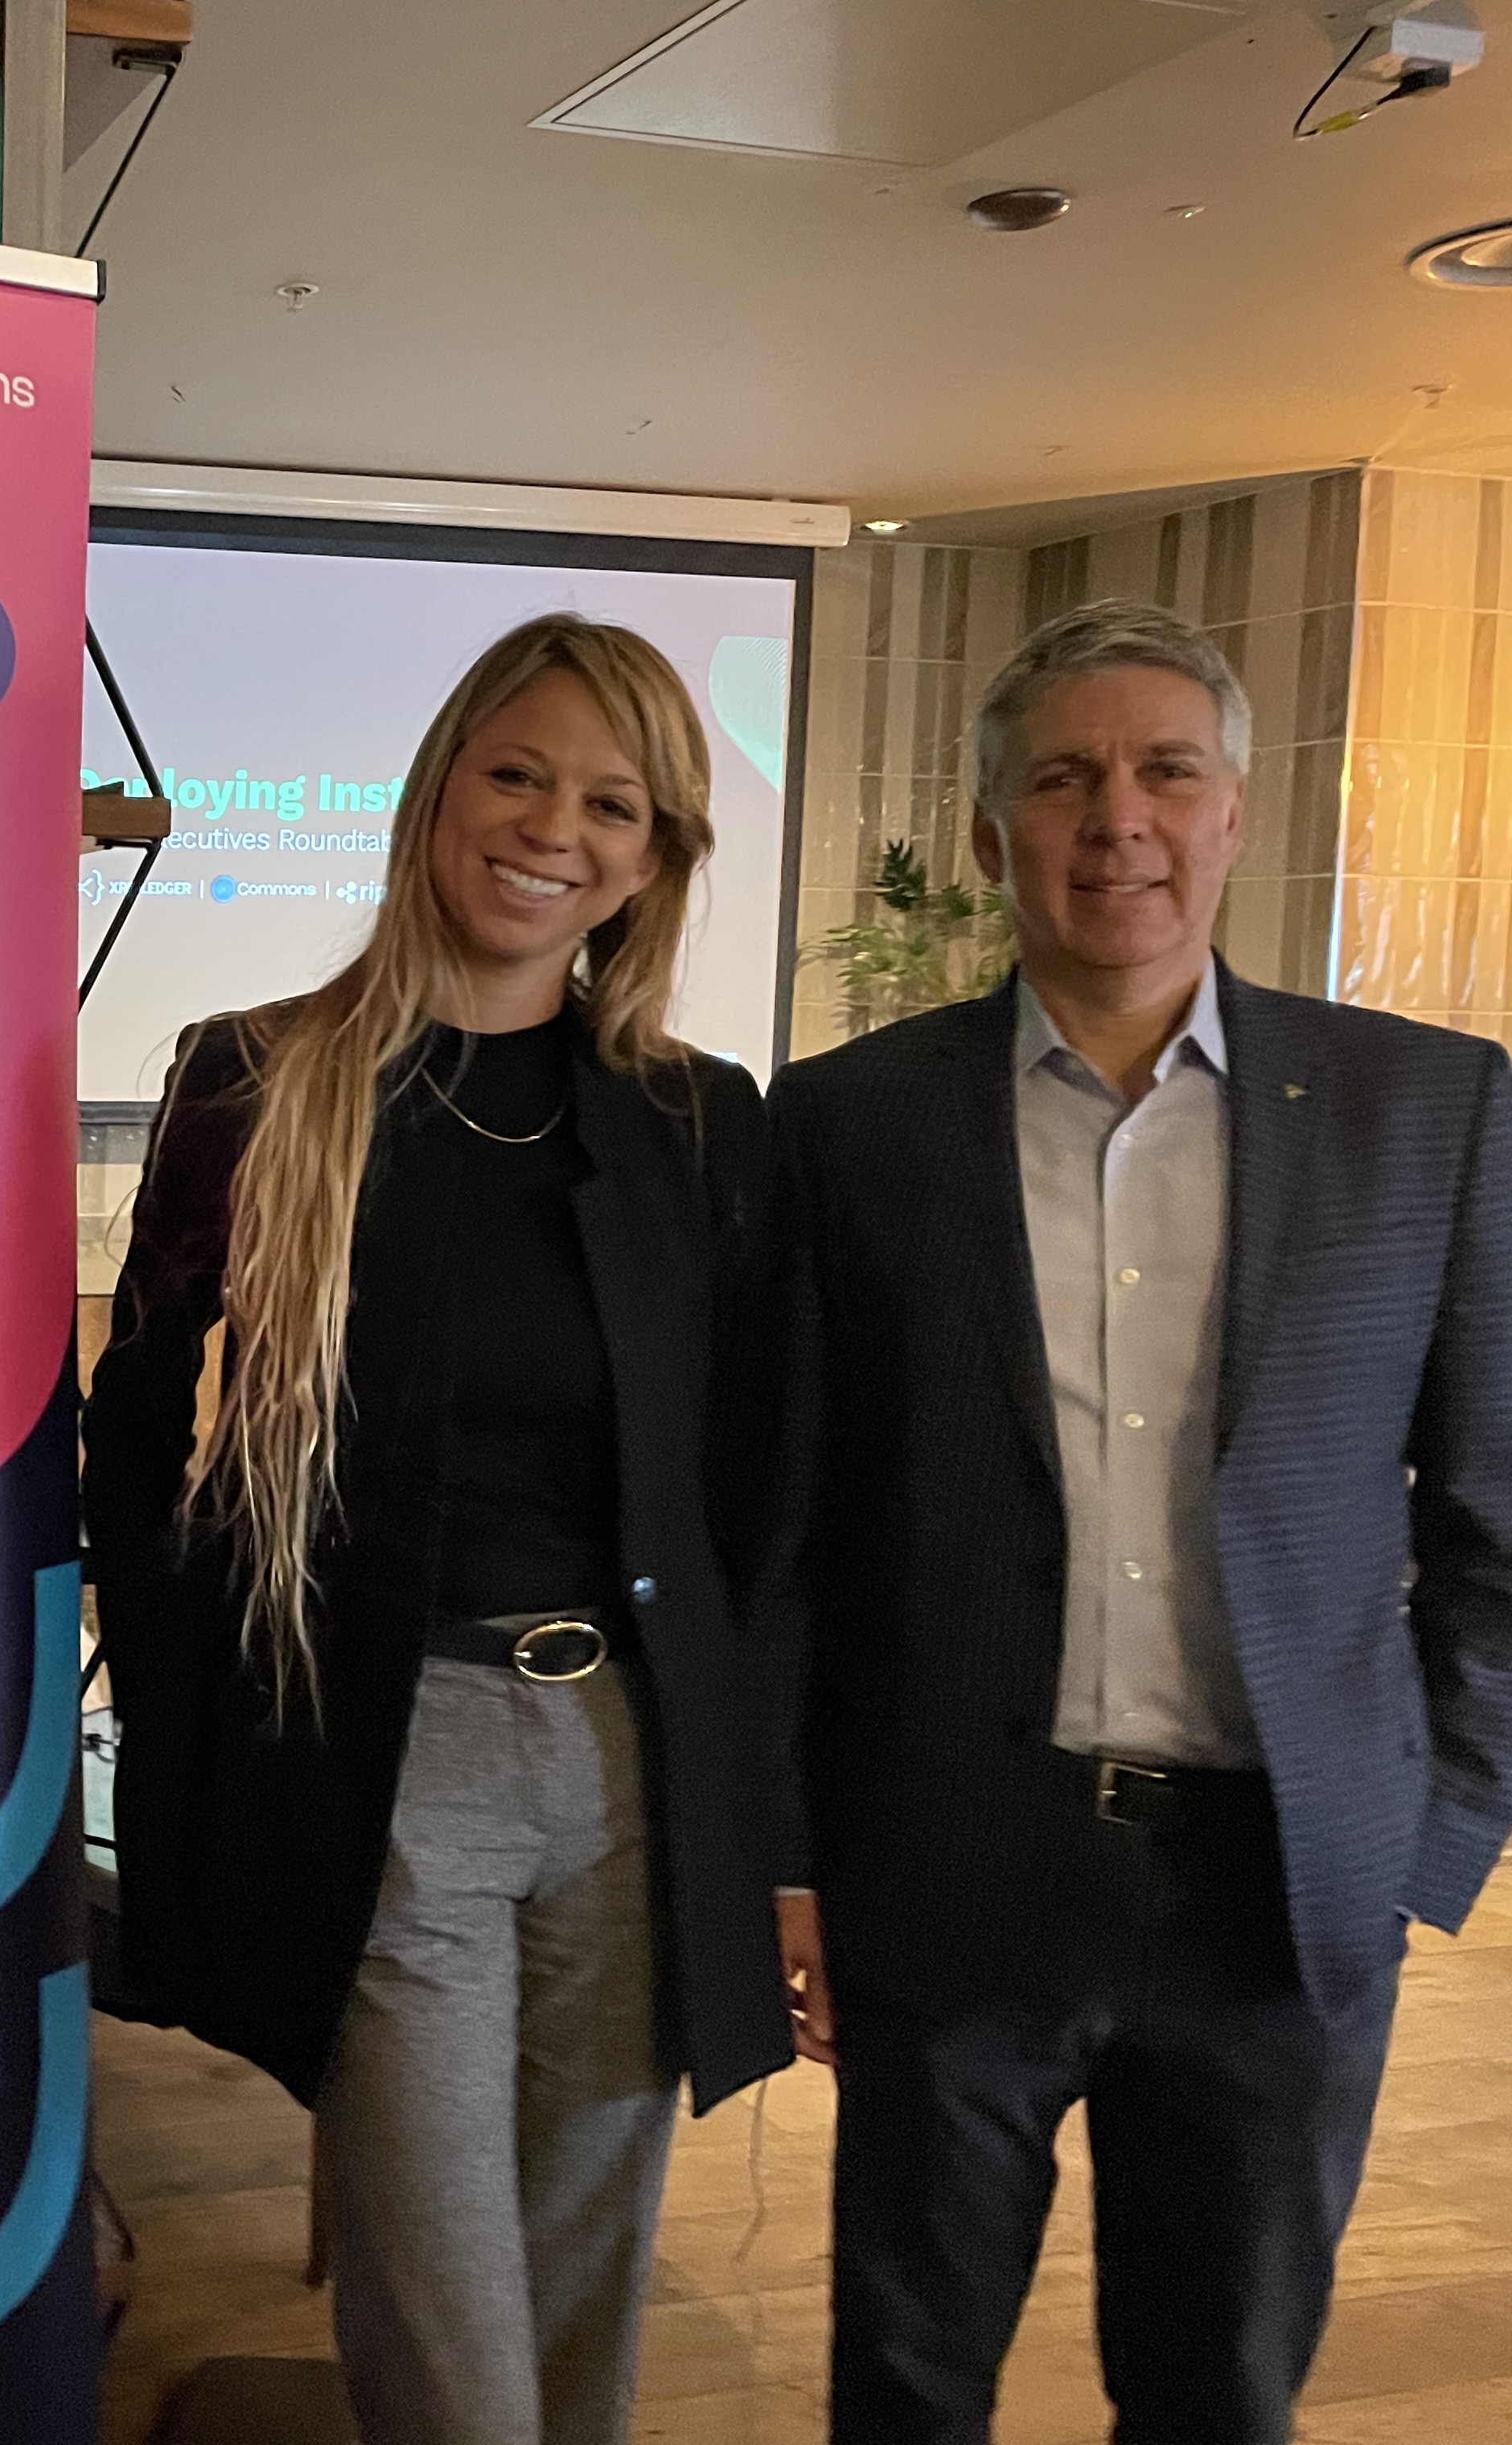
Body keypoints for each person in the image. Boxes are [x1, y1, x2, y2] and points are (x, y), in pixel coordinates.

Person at [755, 597, 1512, 2443]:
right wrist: (788, 1855)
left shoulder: (1428, 1109)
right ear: (994, 828)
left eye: (1168, 771)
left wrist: (1429, 1831)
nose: (1119, 820)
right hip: (954, 1863)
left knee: (1218, 2397)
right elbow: (786, 1529)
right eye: (1064, 779)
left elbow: (1498, 1516)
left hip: (1279, 1893)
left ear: (1234, 812)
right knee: (906, 2385)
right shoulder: (848, 1122)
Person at [85, 615, 792, 2445]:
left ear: (656, 853)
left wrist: (770, 1815)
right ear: (438, 790)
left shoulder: (698, 1124)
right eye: (519, 774)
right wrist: (181, 1727)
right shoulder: (262, 1078)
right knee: (449, 2319)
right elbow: (137, 1434)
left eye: (613, 803)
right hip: (391, 1762)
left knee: (578, 2293)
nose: (555, 828)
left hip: (629, 1762)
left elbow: (750, 1487)